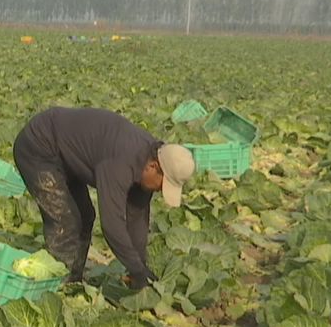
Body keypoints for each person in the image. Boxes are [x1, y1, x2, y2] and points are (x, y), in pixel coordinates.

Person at [12, 106, 195, 289]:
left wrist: (139, 267)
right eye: (161, 185)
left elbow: (137, 218)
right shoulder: (120, 163)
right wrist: (135, 268)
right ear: (153, 166)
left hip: (66, 155)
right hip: (39, 147)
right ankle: (57, 287)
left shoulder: (148, 158)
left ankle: (73, 280)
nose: (158, 191)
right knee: (65, 222)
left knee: (85, 216)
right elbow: (111, 225)